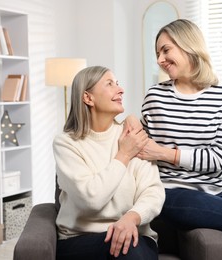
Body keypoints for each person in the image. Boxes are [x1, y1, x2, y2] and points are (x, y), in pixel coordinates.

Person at [137, 19, 222, 260]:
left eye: (166, 50)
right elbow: (140, 143)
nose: (160, 59)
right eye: (157, 53)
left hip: (216, 189)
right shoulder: (155, 96)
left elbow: (217, 159)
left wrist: (164, 153)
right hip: (170, 190)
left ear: (189, 45)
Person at [53, 66, 165, 260]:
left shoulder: (133, 135)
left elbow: (153, 192)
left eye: (118, 84)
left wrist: (132, 217)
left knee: (129, 246)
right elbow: (91, 199)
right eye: (110, 84)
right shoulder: (66, 143)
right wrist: (124, 155)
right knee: (126, 248)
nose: (120, 90)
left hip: (134, 234)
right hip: (81, 239)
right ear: (88, 98)